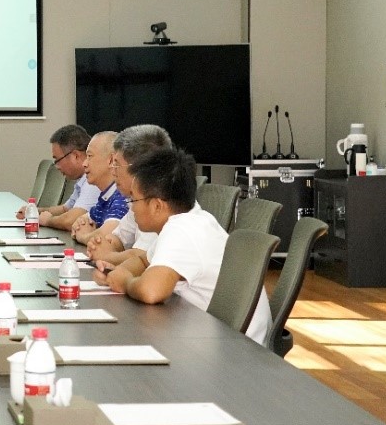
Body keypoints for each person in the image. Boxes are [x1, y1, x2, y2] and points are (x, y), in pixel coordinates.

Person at [92, 147, 271, 343]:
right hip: (217, 334)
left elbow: (151, 291)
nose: (131, 207)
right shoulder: (190, 219)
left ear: (157, 205)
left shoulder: (182, 229)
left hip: (235, 349)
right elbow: (143, 261)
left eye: (133, 199)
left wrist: (125, 282)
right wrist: (117, 272)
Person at [84, 124, 172, 265]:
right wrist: (101, 244)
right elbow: (119, 238)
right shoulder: (136, 199)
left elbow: (141, 257)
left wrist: (106, 256)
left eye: (117, 164)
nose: (113, 171)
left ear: (139, 168)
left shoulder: (159, 201)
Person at [16, 124, 98, 230]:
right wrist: (35, 211)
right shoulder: (82, 180)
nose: (57, 167)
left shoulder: (93, 181)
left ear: (76, 156)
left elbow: (70, 220)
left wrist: (48, 220)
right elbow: (65, 209)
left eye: (57, 160)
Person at [71, 131, 129, 244]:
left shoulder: (122, 196)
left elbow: (106, 235)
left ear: (111, 160)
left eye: (90, 156)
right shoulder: (106, 196)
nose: (84, 164)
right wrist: (81, 227)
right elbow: (79, 223)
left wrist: (83, 236)